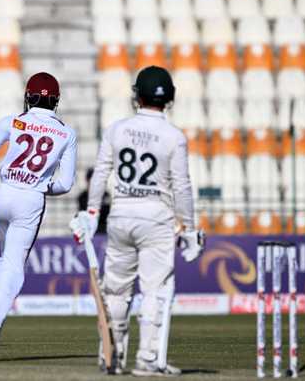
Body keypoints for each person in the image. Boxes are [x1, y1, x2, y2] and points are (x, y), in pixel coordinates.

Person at [70, 66, 204, 376]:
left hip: (120, 214)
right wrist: (190, 229)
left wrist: (92, 214)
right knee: (155, 291)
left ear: (136, 95)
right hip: (156, 218)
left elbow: (101, 172)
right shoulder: (174, 137)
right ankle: (147, 360)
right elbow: (182, 186)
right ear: (169, 98)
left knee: (116, 291)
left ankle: (111, 356)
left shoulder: (118, 129)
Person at [0, 72, 78, 361]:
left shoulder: (14, 120)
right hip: (30, 199)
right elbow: (65, 184)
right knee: (15, 267)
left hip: (3, 195)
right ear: (56, 101)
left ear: (29, 97)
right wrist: (43, 186)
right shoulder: (66, 133)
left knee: (4, 262)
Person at [77, 168, 110, 234]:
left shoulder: (106, 195)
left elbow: (105, 214)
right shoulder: (83, 197)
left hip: (104, 230)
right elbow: (86, 215)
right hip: (88, 231)